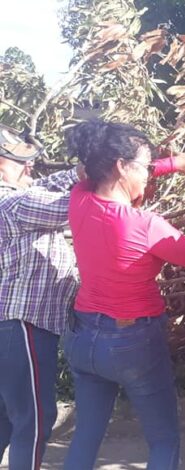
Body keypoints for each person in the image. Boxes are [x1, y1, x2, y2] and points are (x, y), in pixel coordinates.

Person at [62, 119, 185, 470]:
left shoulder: (79, 199)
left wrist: (175, 163)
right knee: (163, 440)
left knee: (86, 434)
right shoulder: (146, 226)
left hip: (84, 337)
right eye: (145, 167)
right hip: (132, 341)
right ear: (120, 165)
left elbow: (97, 175)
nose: (148, 175)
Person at [0, 124, 85, 470]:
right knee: (34, 420)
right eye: (17, 161)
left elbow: (42, 185)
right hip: (24, 325)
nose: (28, 167)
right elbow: (76, 206)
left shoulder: (17, 194)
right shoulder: (13, 202)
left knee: (8, 418)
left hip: (11, 326)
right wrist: (107, 177)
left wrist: (78, 172)